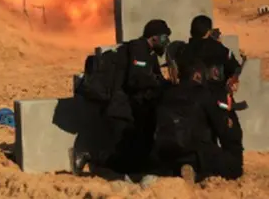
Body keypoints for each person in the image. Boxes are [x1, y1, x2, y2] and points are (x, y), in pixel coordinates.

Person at [72, 19, 172, 176]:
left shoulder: (149, 54)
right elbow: (136, 79)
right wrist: (156, 83)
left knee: (140, 155)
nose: (166, 42)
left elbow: (155, 78)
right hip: (120, 110)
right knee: (125, 158)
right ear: (153, 37)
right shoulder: (138, 49)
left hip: (131, 110)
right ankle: (90, 157)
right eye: (164, 38)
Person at [154, 46, 243, 182]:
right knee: (233, 166)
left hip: (166, 156)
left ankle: (180, 169)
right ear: (197, 75)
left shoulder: (166, 94)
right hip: (196, 154)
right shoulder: (204, 95)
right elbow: (225, 130)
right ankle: (197, 172)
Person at [186, 15, 243, 110]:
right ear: (208, 31)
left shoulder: (184, 50)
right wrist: (233, 79)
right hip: (216, 101)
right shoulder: (219, 49)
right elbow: (235, 67)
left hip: (191, 103)